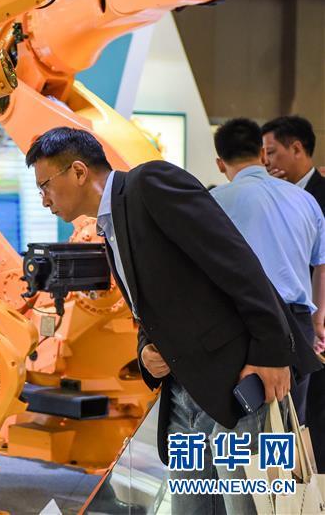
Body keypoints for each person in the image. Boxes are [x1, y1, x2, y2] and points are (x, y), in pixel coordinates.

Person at [25, 126, 319, 514]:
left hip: (236, 385)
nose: (44, 200)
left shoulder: (150, 184)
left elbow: (237, 262)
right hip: (183, 397)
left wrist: (271, 353)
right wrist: (146, 350)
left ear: (78, 171)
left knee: (249, 507)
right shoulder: (109, 226)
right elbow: (153, 306)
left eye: (45, 185)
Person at [211, 118, 325, 436]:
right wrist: (317, 323)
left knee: (242, 426)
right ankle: (287, 471)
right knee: (291, 423)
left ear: (220, 163)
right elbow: (321, 265)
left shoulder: (215, 201)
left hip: (242, 324)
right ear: (262, 154)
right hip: (299, 323)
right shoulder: (305, 199)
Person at [262, 114, 325, 470]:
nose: (267, 162)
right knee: (295, 414)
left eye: (272, 152)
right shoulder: (271, 198)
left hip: (315, 321)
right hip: (290, 326)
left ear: (297, 148)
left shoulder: (321, 196)